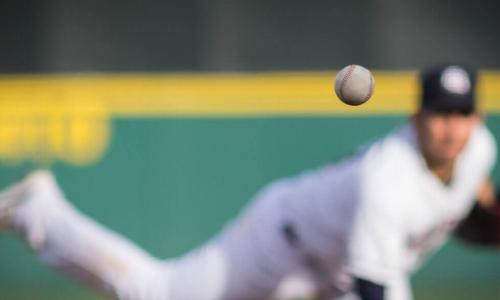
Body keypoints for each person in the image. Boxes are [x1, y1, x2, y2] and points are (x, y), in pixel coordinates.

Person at [0, 63, 498, 300]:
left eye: (461, 114)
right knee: (156, 293)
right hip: (282, 244)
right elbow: (371, 284)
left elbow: (473, 207)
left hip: (344, 270)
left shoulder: (479, 151)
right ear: (416, 118)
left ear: (476, 119)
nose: (451, 127)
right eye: (439, 114)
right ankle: (37, 211)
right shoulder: (387, 177)